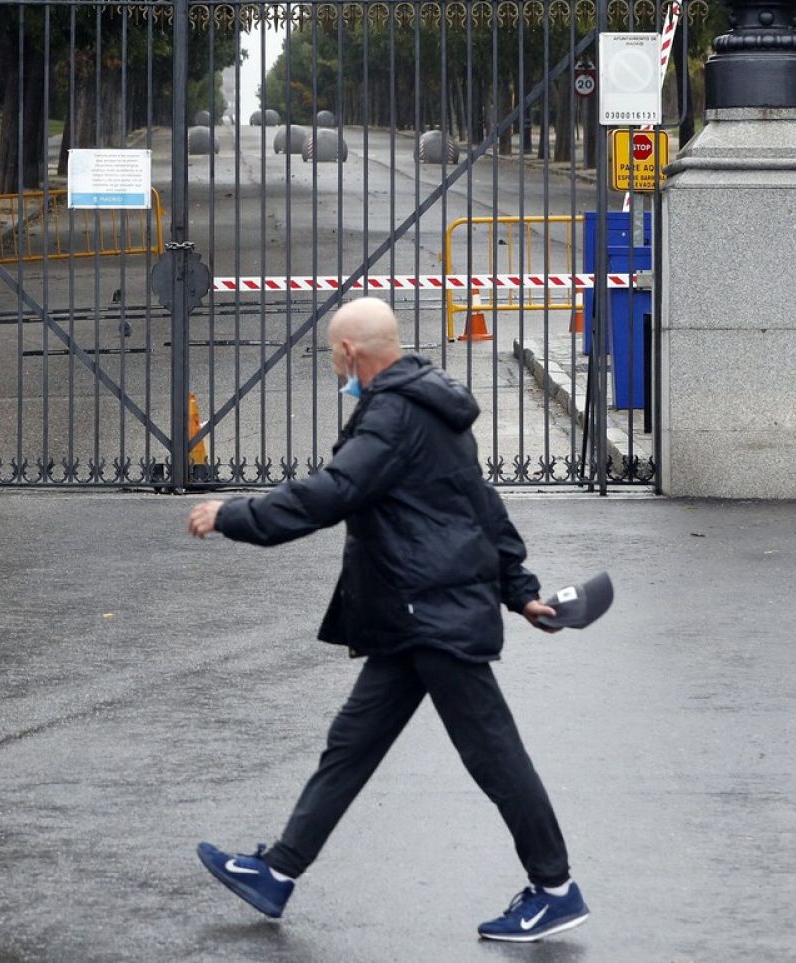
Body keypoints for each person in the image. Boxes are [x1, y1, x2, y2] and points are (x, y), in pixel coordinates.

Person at [186, 297, 588, 942]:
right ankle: (278, 873)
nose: (332, 365)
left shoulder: (395, 416)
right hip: (414, 613)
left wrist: (232, 514)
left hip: (432, 609)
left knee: (494, 754)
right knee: (351, 745)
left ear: (349, 353)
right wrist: (521, 590)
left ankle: (555, 889)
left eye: (331, 354)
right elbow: (479, 505)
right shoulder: (429, 408)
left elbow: (332, 492)